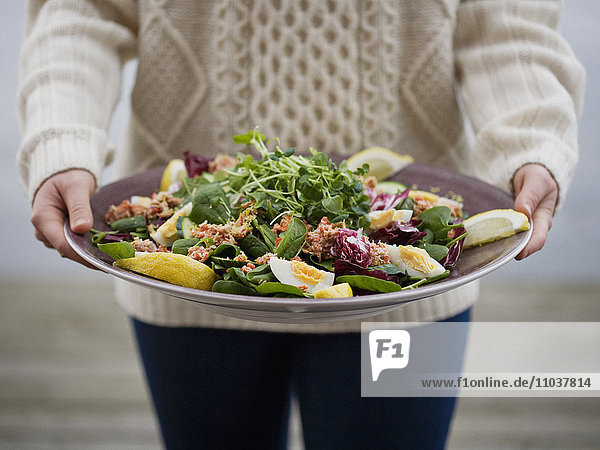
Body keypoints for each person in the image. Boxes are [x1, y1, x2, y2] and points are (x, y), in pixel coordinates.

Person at [17, 1, 584, 448]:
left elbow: (509, 23)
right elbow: (82, 10)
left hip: (416, 286)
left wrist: (529, 144)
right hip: (185, 278)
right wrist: (63, 140)